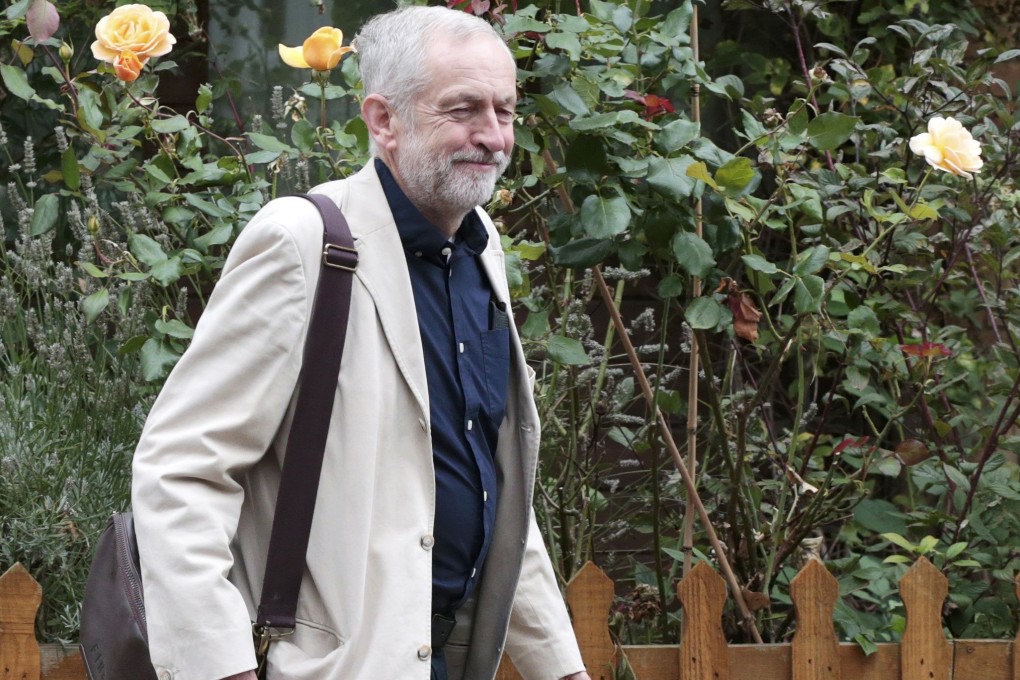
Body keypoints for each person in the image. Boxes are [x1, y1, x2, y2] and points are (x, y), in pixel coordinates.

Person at [130, 5, 593, 680]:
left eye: (506, 110)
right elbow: (181, 470)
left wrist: (561, 667)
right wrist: (220, 668)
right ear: (383, 121)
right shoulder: (306, 243)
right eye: (464, 109)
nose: (493, 136)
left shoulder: (479, 250)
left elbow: (487, 487)